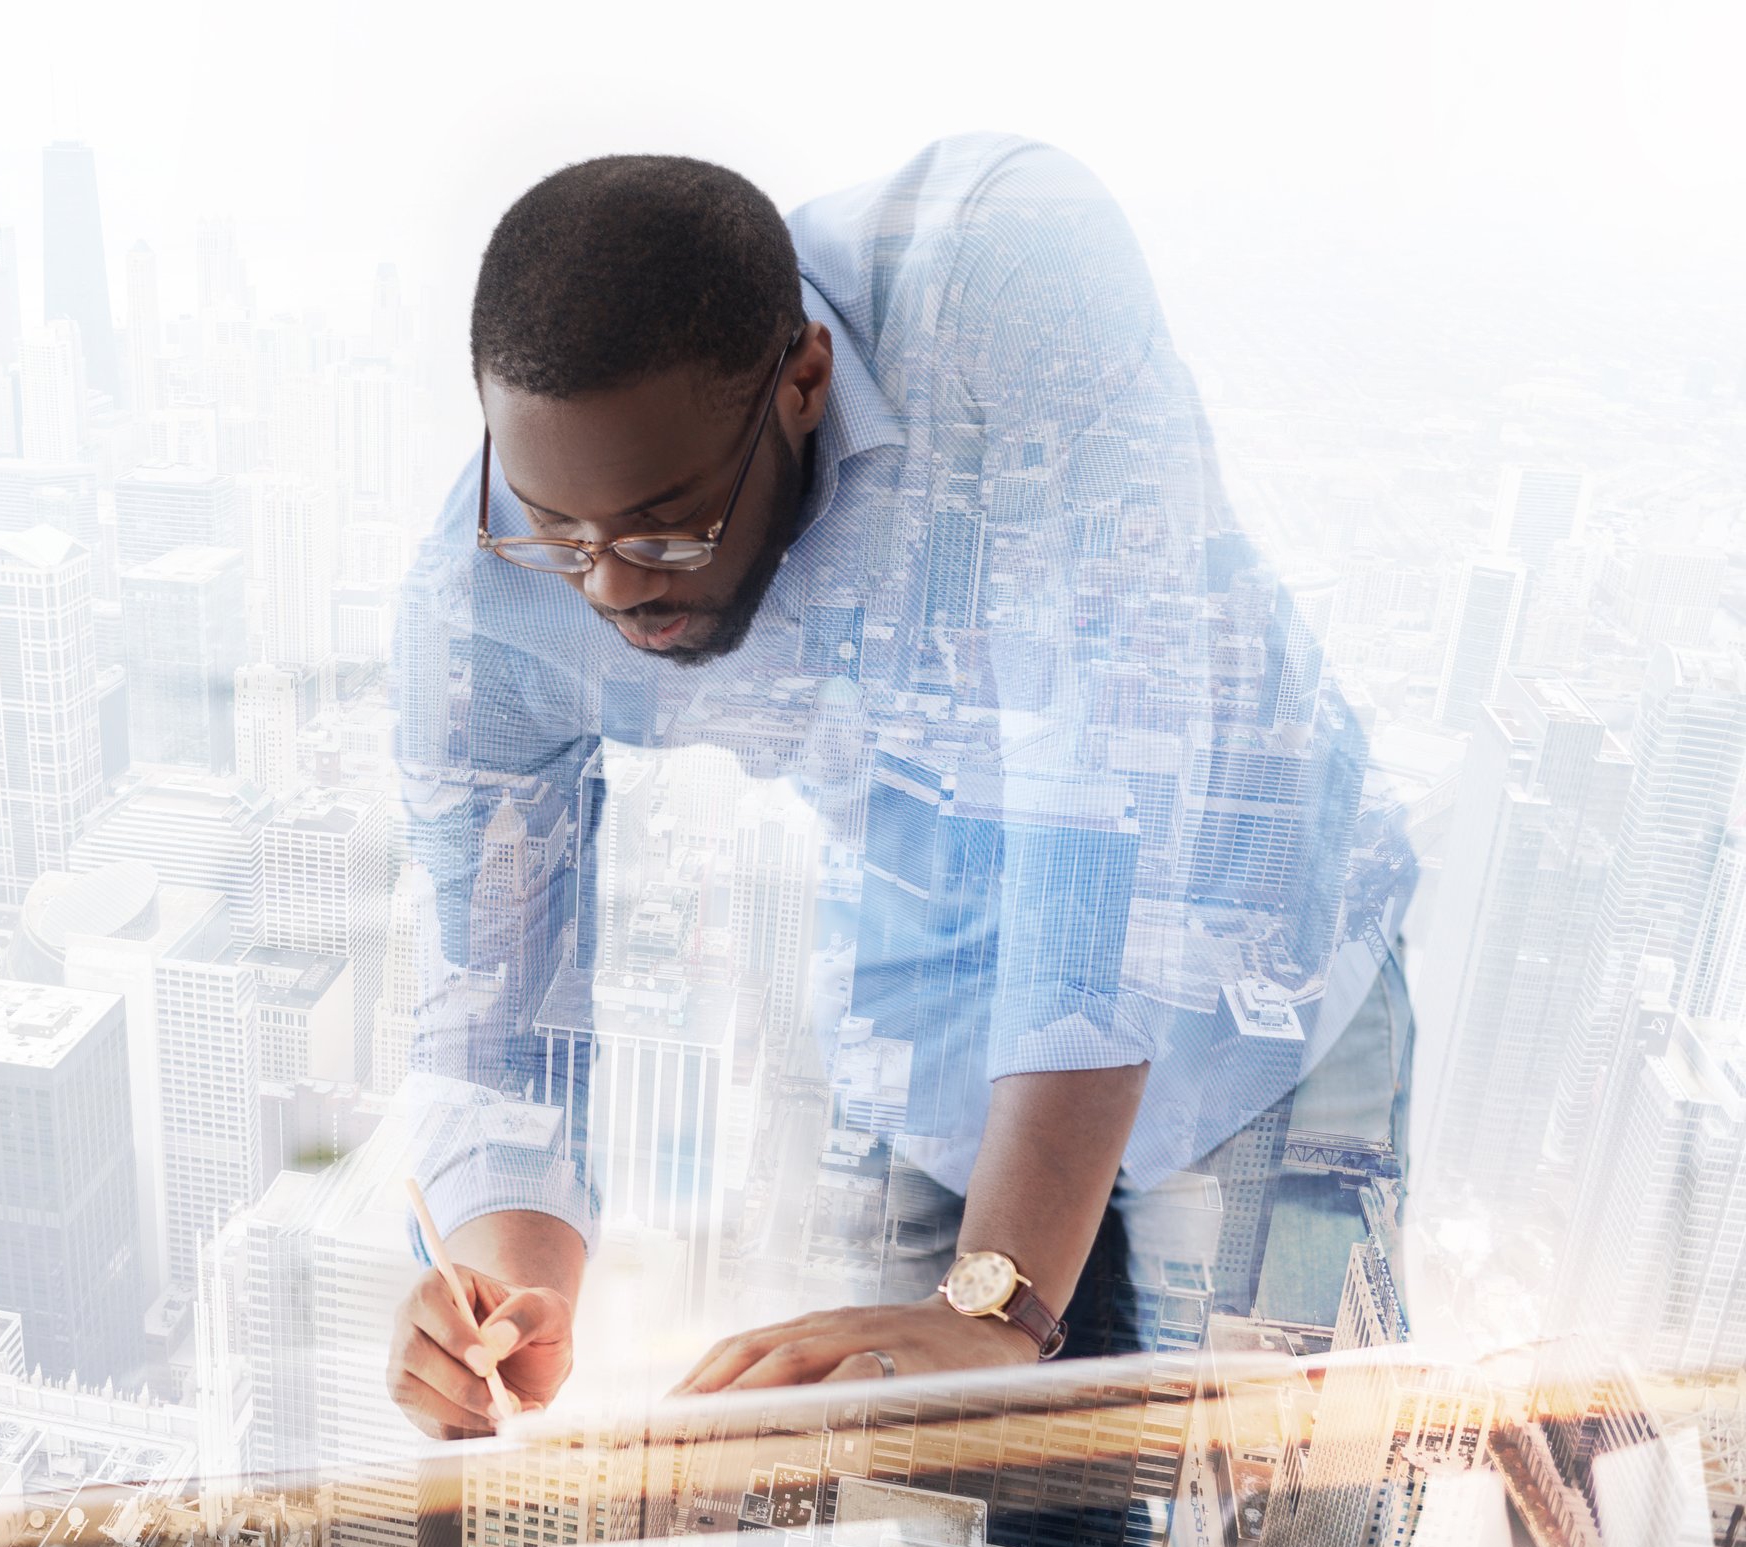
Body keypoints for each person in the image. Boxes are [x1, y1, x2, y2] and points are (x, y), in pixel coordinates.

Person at [384, 134, 1413, 1439]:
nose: (609, 585)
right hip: (937, 1050)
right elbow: (501, 1005)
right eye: (552, 524)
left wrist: (997, 1302)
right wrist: (508, 1291)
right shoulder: (480, 600)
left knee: (1300, 1508)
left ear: (805, 377)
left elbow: (1114, 785)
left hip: (1257, 1007)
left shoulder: (1006, 280)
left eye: (663, 525)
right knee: (956, 1534)